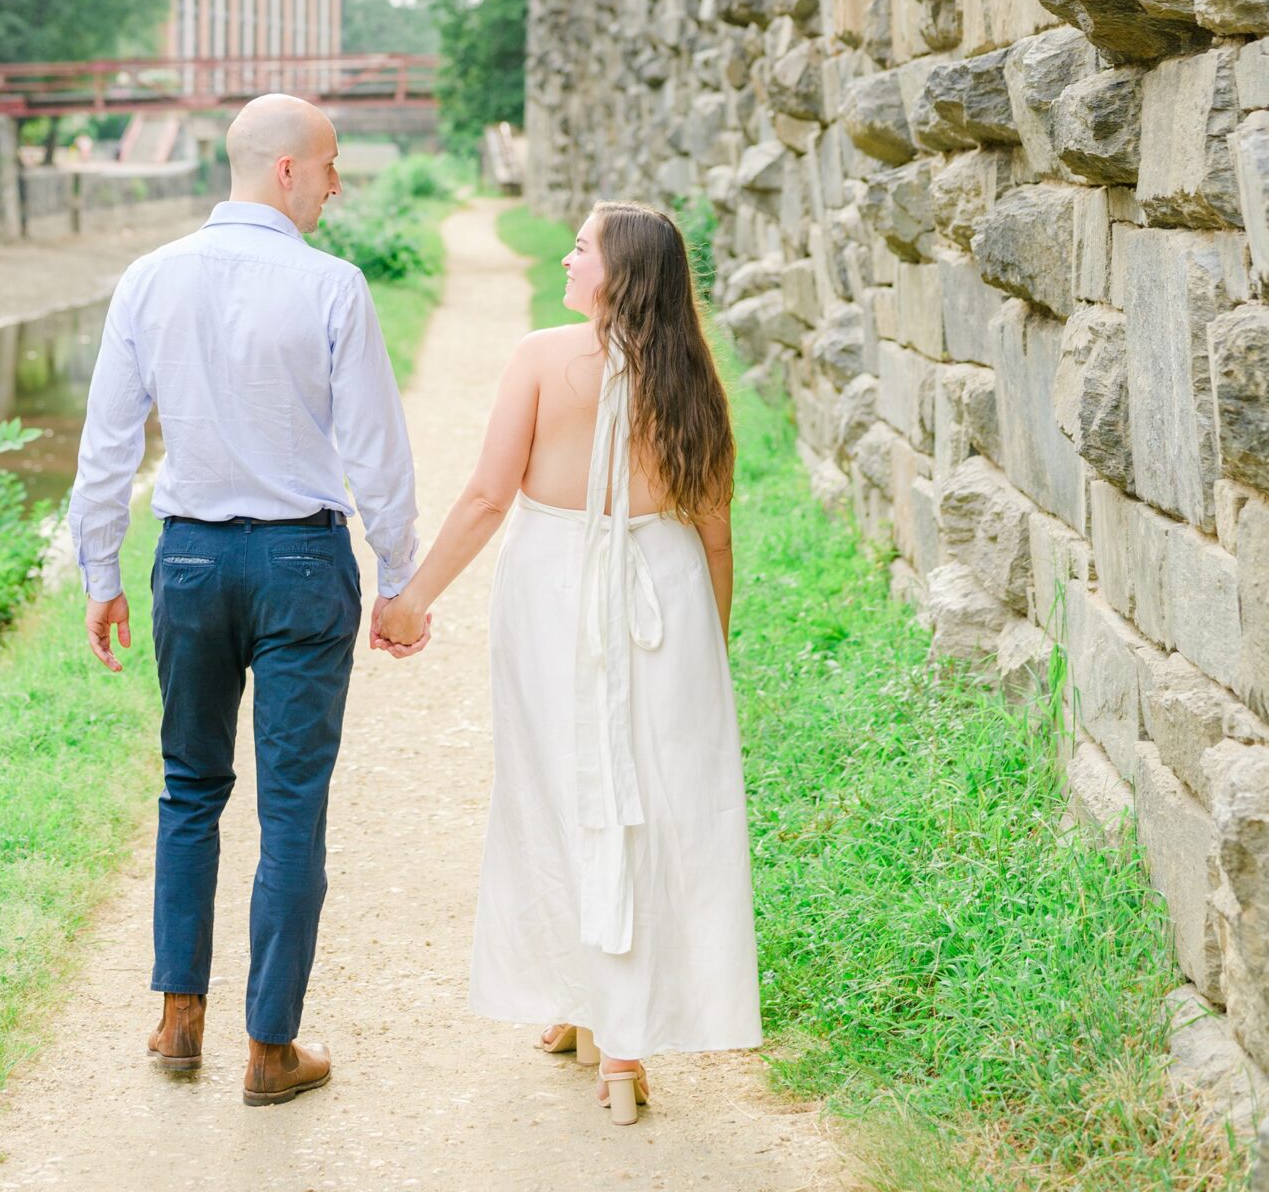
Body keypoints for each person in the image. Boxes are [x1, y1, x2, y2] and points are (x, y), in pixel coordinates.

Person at [69, 93, 424, 1108]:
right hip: (299, 565)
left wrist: (101, 573)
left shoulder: (147, 279)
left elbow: (107, 447)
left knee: (189, 787)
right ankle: (268, 1048)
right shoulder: (331, 286)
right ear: (285, 171)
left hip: (186, 564)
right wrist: (395, 577)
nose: (335, 186)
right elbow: (375, 454)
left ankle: (178, 1015)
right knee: (291, 809)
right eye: (329, 167)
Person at [376, 200, 761, 1125]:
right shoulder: (692, 375)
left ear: (617, 273)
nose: (565, 254)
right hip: (663, 592)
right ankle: (602, 1027)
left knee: (559, 786)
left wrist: (410, 599)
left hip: (555, 585)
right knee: (647, 801)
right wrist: (702, 651)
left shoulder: (544, 357)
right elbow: (713, 535)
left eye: (581, 247)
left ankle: (606, 1027)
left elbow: (483, 497)